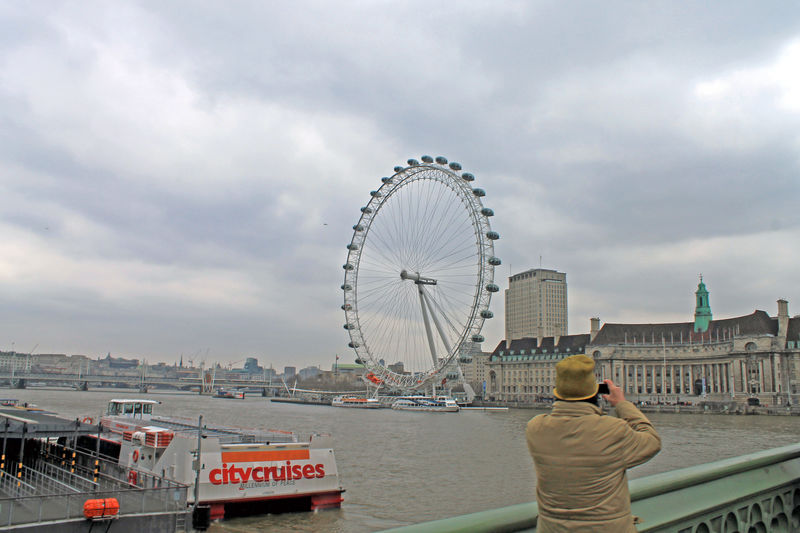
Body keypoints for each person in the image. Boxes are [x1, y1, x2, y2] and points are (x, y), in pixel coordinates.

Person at [526, 354, 661, 532]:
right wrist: (622, 404)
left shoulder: (535, 428)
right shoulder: (613, 430)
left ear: (557, 392)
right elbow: (652, 441)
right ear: (595, 392)